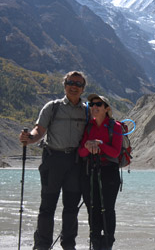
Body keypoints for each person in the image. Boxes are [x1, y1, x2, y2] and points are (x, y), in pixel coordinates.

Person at [19, 71, 87, 250]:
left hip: (75, 163)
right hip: (53, 160)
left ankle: (68, 245)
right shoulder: (52, 107)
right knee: (47, 207)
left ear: (83, 89)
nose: (74, 86)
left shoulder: (86, 110)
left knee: (71, 208)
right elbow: (39, 131)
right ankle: (42, 246)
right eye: (71, 82)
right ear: (64, 85)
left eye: (78, 84)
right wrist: (29, 138)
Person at [78, 94, 122, 250]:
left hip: (109, 172)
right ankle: (96, 242)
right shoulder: (88, 126)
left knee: (108, 209)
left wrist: (99, 144)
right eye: (91, 104)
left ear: (106, 109)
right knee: (92, 209)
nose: (94, 107)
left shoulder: (115, 126)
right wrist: (88, 147)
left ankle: (107, 243)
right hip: (90, 172)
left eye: (98, 104)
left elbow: (115, 152)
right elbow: (82, 153)